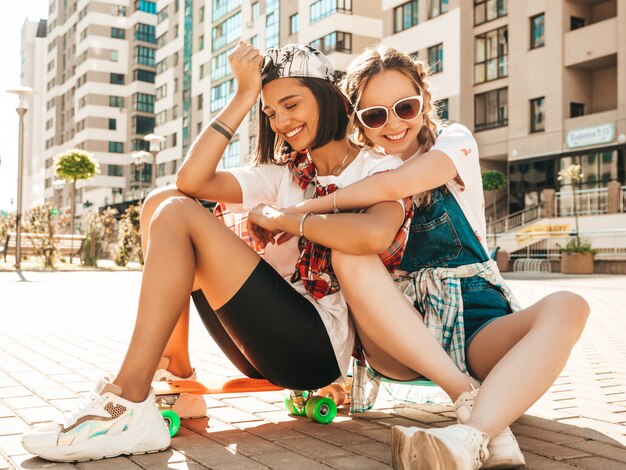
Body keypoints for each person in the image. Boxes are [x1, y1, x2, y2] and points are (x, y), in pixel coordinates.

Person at [20, 43, 413, 462]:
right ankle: (178, 380)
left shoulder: (375, 168)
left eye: (291, 104)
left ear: (326, 94)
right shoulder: (283, 173)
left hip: (317, 348)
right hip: (261, 340)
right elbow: (190, 179)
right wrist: (244, 96)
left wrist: (283, 220)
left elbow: (376, 234)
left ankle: (128, 398)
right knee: (161, 202)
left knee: (175, 214)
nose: (281, 122)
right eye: (270, 113)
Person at [251, 45, 590, 470]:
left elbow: (395, 185)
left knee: (570, 305)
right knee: (351, 254)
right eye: (375, 115)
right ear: (358, 120)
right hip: (399, 332)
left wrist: (294, 214)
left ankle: (473, 435)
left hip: (478, 321)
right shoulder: (361, 167)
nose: (393, 124)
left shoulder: (453, 143)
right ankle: (480, 419)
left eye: (405, 107)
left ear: (425, 100)